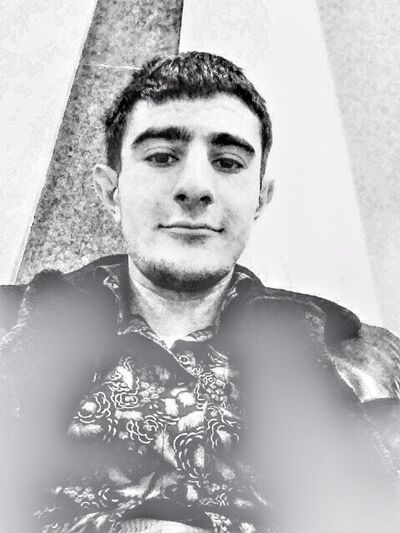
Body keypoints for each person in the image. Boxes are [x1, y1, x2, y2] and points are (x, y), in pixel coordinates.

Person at [1, 51, 400, 533]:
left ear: (260, 199)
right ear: (110, 191)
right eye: (161, 157)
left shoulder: (345, 351)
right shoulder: (13, 328)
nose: (194, 187)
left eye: (228, 163)